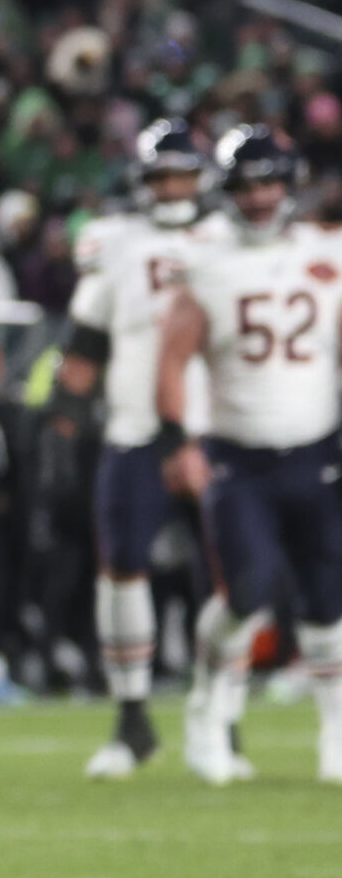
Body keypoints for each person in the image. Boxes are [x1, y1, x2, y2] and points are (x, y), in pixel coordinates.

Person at [155, 126, 342, 787]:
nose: (261, 197)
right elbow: (173, 358)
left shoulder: (328, 252)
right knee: (248, 589)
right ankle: (209, 707)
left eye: (270, 182)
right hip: (240, 454)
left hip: (316, 446)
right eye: (247, 185)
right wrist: (177, 440)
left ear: (289, 183)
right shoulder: (207, 262)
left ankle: (335, 733)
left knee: (328, 597)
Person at [52, 119, 217, 779]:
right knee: (120, 570)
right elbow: (85, 342)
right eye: (161, 175)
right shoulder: (115, 244)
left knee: (229, 579)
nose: (173, 186)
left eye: (182, 173)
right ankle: (132, 718)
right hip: (132, 428)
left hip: (215, 428)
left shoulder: (231, 243)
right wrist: (62, 426)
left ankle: (218, 714)